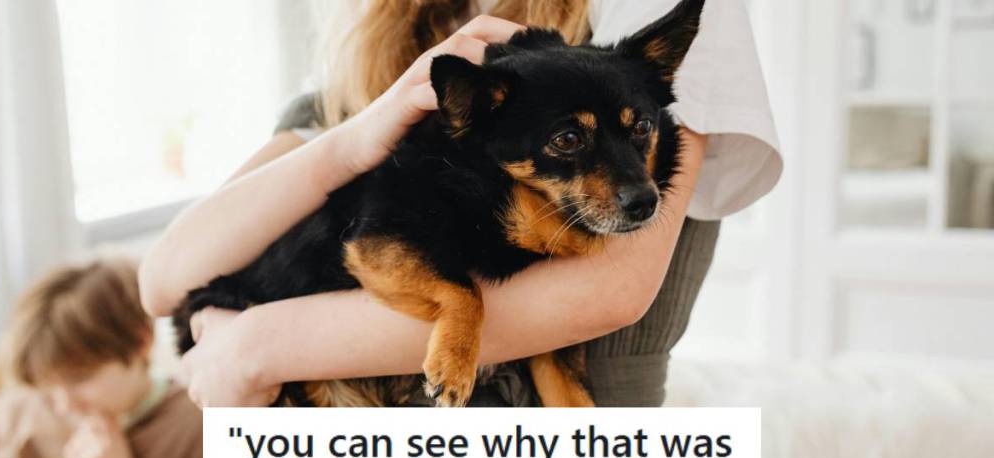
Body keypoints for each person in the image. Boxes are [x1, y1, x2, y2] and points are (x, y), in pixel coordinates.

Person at [139, 0, 782, 408]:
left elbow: (606, 292)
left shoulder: (650, 18)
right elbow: (166, 279)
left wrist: (255, 345)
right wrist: (358, 139)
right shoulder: (378, 43)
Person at [0, 258, 202, 458]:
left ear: (141, 342)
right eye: (47, 386)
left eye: (78, 379)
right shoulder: (20, 411)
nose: (63, 405)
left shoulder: (194, 426)